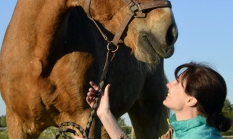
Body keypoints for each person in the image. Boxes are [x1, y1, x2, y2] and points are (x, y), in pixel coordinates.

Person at [75, 62, 232, 139]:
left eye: (177, 82)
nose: (169, 84)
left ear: (191, 100)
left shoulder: (202, 138)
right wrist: (104, 112)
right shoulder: (179, 134)